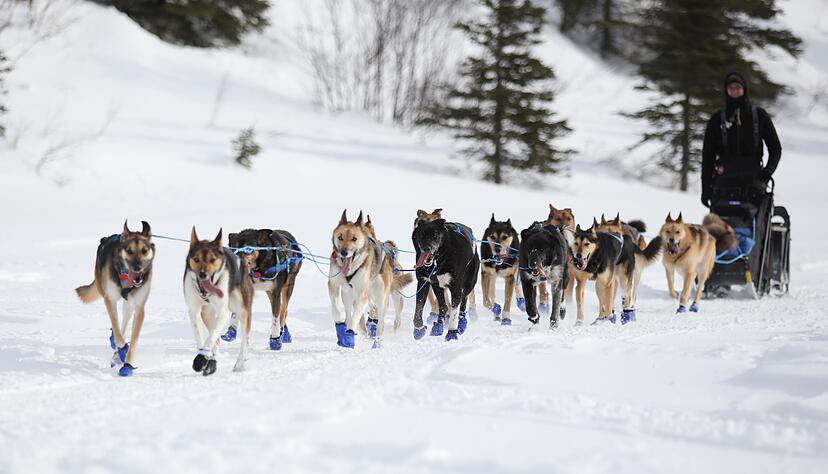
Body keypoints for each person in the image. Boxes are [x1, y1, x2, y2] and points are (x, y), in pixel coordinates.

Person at [700, 72, 782, 207]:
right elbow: (708, 158)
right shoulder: (716, 120)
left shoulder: (760, 117)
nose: (734, 91)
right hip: (723, 184)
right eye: (731, 88)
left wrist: (767, 172)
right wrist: (706, 188)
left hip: (753, 183)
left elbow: (775, 148)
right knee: (719, 226)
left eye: (738, 87)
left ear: (744, 89)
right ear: (726, 91)